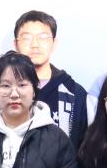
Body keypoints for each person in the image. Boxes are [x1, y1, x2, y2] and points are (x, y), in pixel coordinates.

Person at [13, 10, 88, 149]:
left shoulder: (74, 92)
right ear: (15, 44)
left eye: (43, 37)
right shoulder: (4, 92)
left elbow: (85, 148)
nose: (35, 44)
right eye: (27, 38)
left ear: (54, 43)